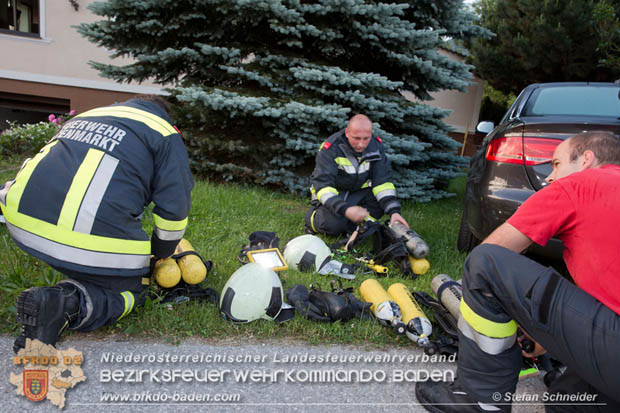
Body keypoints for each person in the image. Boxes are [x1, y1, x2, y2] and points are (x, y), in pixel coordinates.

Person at [415, 131, 620, 412]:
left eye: (557, 164)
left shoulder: (579, 185)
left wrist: (481, 305)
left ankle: (478, 400)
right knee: (567, 400)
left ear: (586, 159)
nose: (549, 176)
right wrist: (548, 334)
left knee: (486, 264)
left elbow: (492, 252)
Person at [0, 95, 194, 353]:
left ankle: (78, 268)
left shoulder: (86, 116)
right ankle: (65, 304)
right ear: (167, 117)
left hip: (21, 223)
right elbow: (174, 209)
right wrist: (159, 255)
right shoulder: (164, 133)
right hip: (90, 243)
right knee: (130, 294)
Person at [305, 114, 409, 235]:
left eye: (366, 138)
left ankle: (361, 228)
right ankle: (313, 219)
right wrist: (345, 209)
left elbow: (383, 183)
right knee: (333, 226)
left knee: (380, 205)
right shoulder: (331, 148)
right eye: (357, 138)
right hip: (334, 194)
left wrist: (394, 212)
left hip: (358, 192)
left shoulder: (376, 146)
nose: (361, 144)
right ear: (347, 133)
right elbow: (323, 186)